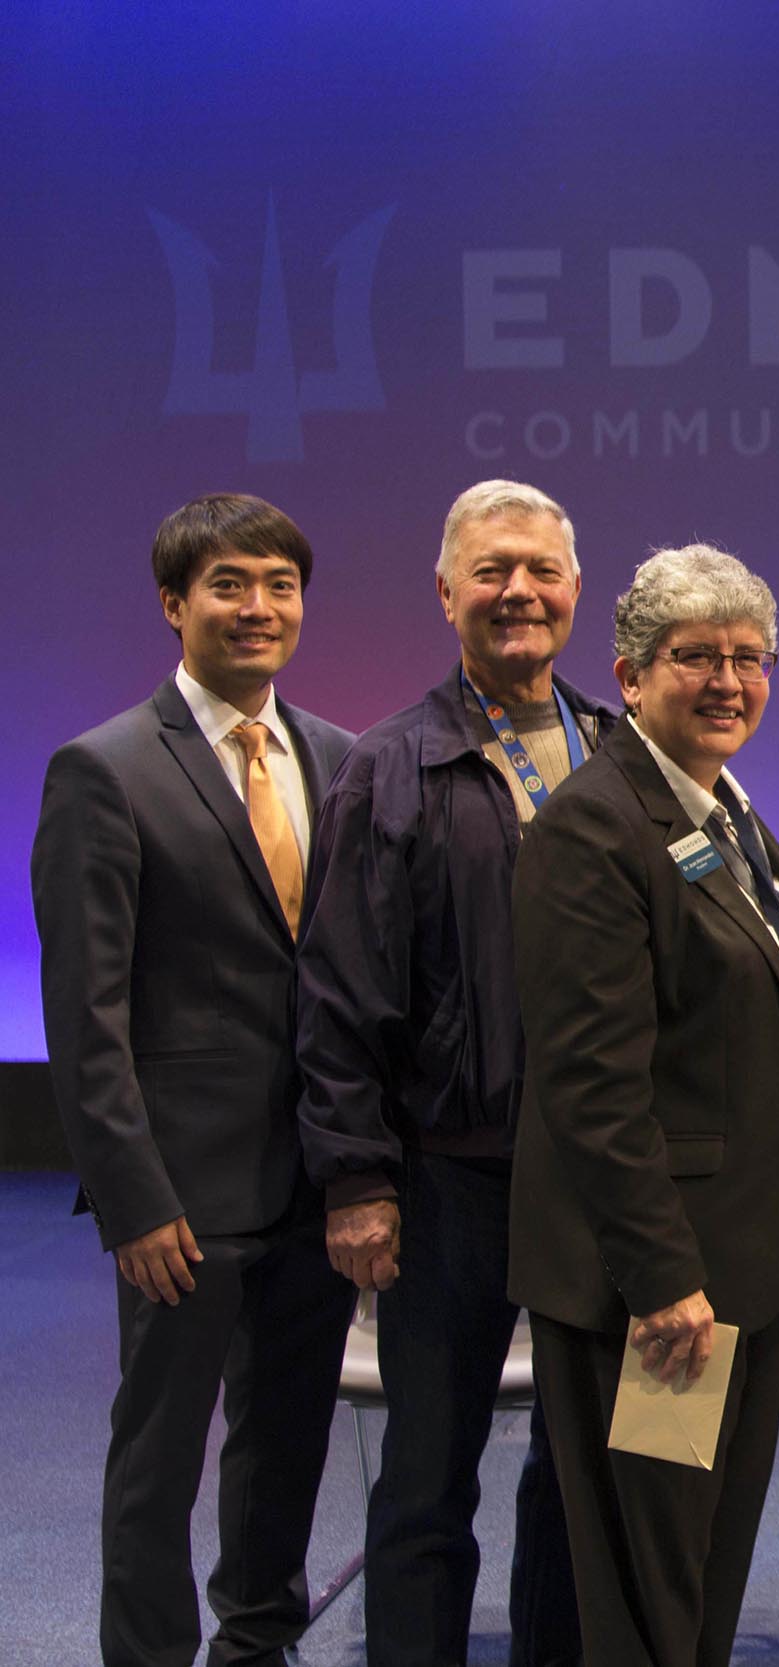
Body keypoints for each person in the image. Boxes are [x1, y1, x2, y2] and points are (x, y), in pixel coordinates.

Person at [508, 544, 779, 1667]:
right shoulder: (594, 823)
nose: (727, 679)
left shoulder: (721, 810)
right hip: (660, 1288)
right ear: (628, 674)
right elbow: (591, 1084)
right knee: (648, 1581)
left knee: (701, 1569)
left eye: (747, 657)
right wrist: (663, 1277)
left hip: (739, 1264)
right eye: (695, 657)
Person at [32, 493, 359, 1667]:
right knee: (157, 1460)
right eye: (229, 583)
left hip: (316, 1185)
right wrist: (132, 1196)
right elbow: (85, 1014)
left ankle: (256, 1646)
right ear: (175, 604)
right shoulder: (102, 769)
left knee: (283, 1448)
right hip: (179, 1197)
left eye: (279, 583)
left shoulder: (339, 757)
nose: (257, 606)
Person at [295, 479, 599, 1666]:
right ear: (446, 593)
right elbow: (338, 994)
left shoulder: (622, 753)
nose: (516, 590)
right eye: (490, 571)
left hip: (592, 1184)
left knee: (578, 1476)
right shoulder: (391, 767)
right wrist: (357, 1179)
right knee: (427, 1478)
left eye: (539, 569)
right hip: (444, 1184)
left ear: (576, 589)